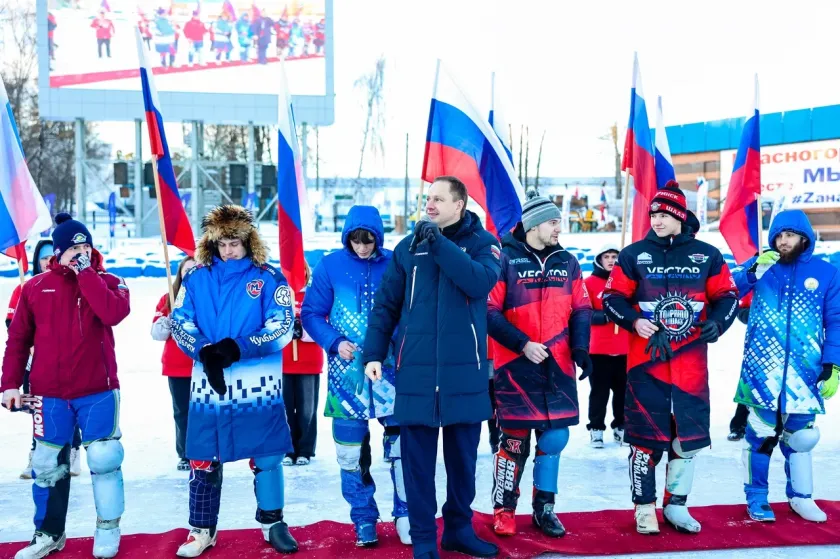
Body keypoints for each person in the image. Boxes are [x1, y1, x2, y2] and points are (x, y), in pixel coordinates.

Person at [364, 176, 502, 559]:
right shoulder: (408, 248)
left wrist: (438, 243)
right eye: (428, 198)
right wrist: (373, 353)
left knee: (463, 463)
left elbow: (478, 283)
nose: (430, 204)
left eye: (439, 199)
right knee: (417, 466)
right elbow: (386, 305)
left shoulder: (484, 244)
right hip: (417, 373)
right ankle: (424, 538)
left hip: (465, 374)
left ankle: (458, 529)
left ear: (460, 204)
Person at [603, 181, 739, 535]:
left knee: (685, 440)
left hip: (691, 368)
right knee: (645, 442)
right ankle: (644, 507)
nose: (657, 220)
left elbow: (728, 296)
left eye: (663, 214)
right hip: (646, 366)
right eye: (653, 214)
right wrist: (634, 321)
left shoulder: (706, 255)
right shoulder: (634, 254)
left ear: (680, 216)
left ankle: (676, 505)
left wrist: (717, 324)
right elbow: (611, 298)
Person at [170, 205, 298, 556]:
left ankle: (273, 522)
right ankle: (201, 529)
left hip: (257, 386)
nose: (229, 250)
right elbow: (180, 321)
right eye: (222, 243)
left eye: (235, 243)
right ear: (213, 243)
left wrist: (236, 348)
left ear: (248, 241)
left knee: (268, 456)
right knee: (203, 457)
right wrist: (204, 350)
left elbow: (282, 325)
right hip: (209, 388)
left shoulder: (269, 277)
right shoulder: (196, 279)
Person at [1, 213, 131, 559]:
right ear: (56, 253)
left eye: (85, 245)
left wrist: (86, 274)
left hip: (98, 391)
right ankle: (48, 532)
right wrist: (10, 384)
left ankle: (108, 528)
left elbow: (112, 314)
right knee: (46, 464)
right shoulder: (34, 288)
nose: (80, 251)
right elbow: (17, 342)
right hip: (49, 393)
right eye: (72, 247)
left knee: (104, 458)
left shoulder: (110, 281)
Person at [301, 206, 410, 547]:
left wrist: (397, 341)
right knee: (350, 454)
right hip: (345, 376)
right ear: (346, 236)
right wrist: (334, 341)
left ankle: (406, 512)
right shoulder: (330, 265)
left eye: (369, 239)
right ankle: (363, 517)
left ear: (378, 236)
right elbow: (312, 313)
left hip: (392, 372)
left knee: (403, 449)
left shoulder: (396, 263)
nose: (363, 246)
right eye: (356, 239)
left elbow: (409, 310)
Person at [487, 193, 592, 538]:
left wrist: (580, 348)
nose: (559, 228)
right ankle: (504, 508)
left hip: (557, 367)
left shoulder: (568, 261)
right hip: (515, 365)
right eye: (553, 222)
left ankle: (544, 508)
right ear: (534, 224)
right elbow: (489, 311)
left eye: (559, 221)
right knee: (514, 440)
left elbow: (581, 309)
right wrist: (522, 344)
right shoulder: (504, 259)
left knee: (556, 437)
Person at [730, 210, 840, 523]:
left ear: (804, 237)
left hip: (805, 371)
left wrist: (834, 365)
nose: (783, 241)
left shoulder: (826, 273)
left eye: (789, 235)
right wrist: (752, 271)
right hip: (763, 371)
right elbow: (726, 292)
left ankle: (801, 497)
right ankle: (757, 497)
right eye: (778, 236)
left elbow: (836, 320)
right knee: (761, 436)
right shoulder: (764, 267)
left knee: (802, 439)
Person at [7, 240, 83, 481]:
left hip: (72, 365)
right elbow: (13, 326)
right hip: (37, 365)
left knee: (73, 409)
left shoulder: (73, 283)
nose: (46, 260)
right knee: (39, 412)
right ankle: (36, 452)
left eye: (51, 255)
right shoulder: (25, 287)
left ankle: (72, 451)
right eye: (42, 256)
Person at [151, 256, 197, 471]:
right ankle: (186, 454)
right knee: (182, 411)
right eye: (186, 270)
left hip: (203, 364)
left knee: (206, 411)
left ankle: (207, 451)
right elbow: (157, 333)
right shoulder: (168, 299)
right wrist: (169, 320)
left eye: (195, 269)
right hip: (177, 366)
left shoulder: (212, 297)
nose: (190, 274)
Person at [584, 243, 629, 448]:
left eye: (614, 256)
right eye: (607, 256)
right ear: (599, 260)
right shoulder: (589, 283)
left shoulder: (627, 282)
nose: (611, 260)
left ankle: (620, 426)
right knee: (599, 392)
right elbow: (582, 313)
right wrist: (604, 317)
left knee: (623, 392)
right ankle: (596, 429)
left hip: (625, 349)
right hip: (598, 350)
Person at [281, 260, 323, 467]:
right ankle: (288, 449)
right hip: (282, 361)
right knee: (285, 407)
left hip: (308, 361)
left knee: (307, 409)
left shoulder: (315, 296)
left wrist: (304, 331)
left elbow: (324, 323)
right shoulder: (277, 297)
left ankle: (305, 449)